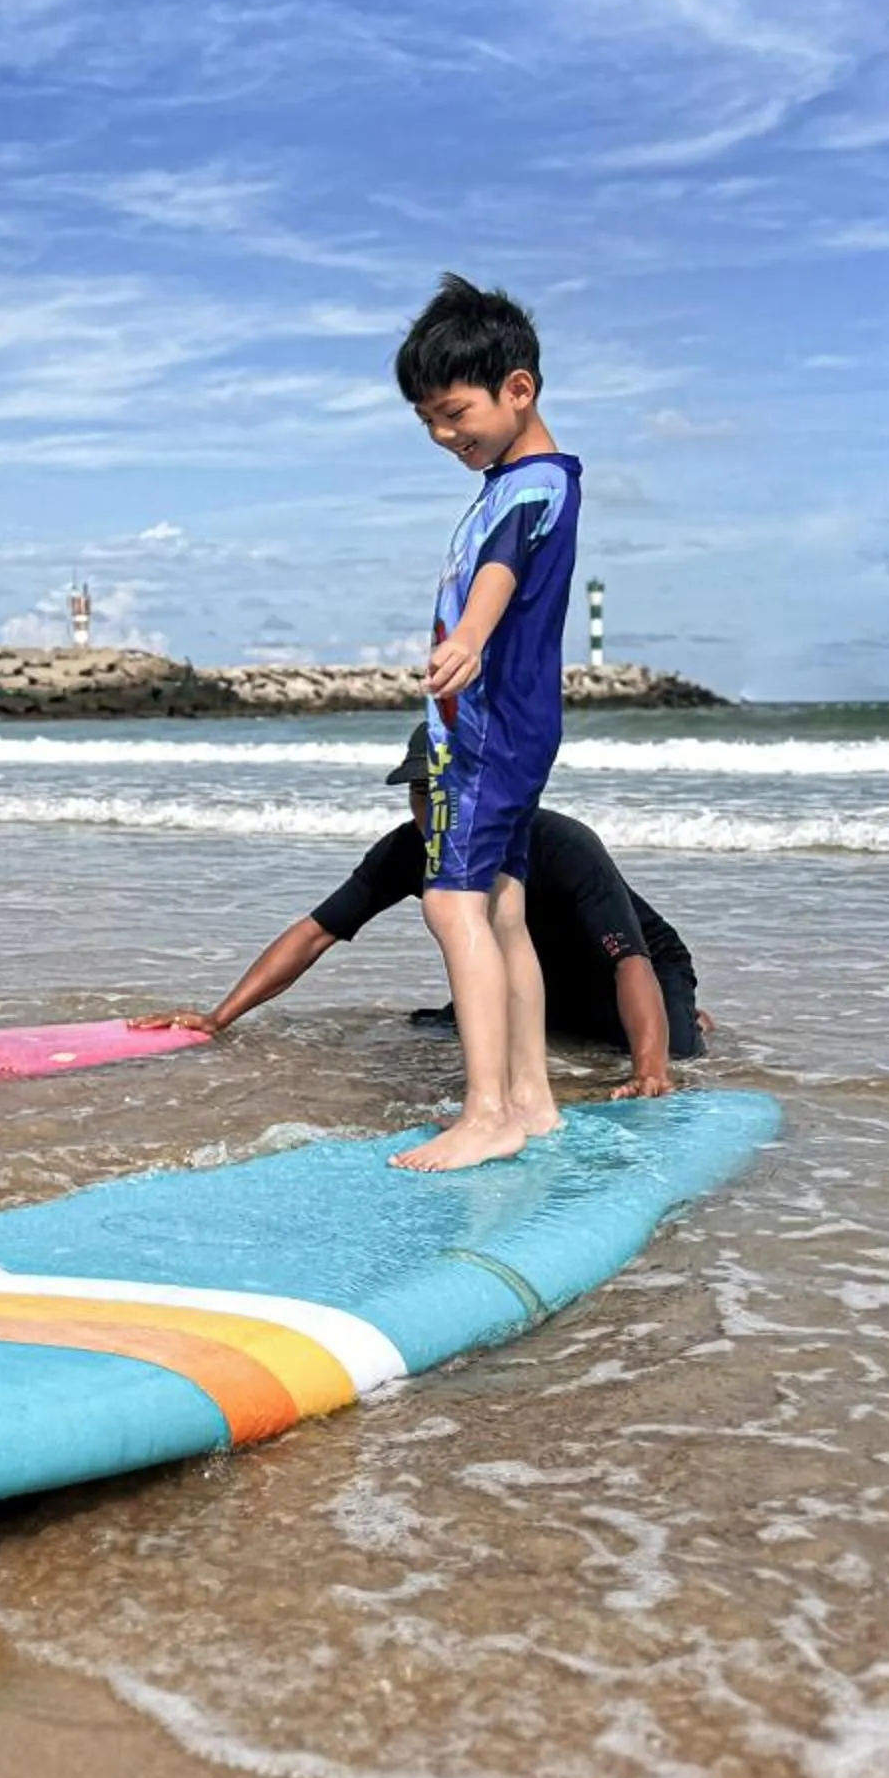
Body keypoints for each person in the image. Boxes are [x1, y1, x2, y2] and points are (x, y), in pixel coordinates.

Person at [134, 726, 708, 1096]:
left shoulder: (560, 844)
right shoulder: (410, 850)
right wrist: (219, 1017)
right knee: (445, 1034)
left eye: (446, 793)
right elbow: (315, 934)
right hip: (533, 971)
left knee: (674, 1056)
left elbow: (630, 959)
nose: (432, 811)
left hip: (629, 966)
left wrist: (650, 1068)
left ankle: (688, 1014)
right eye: (418, 793)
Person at [387, 274, 584, 1171]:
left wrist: (468, 638)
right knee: (503, 905)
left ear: (519, 388)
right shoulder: (525, 479)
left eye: (453, 411)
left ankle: (488, 1113)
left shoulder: (527, 489)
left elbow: (501, 571)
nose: (441, 435)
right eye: (426, 419)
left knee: (449, 899)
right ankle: (532, 1099)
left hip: (487, 729)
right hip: (508, 723)